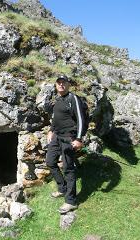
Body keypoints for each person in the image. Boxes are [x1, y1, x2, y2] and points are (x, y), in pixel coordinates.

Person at [45, 74, 86, 214]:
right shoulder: (57, 100)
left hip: (69, 137)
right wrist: (51, 130)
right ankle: (62, 189)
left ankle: (71, 201)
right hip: (56, 136)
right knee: (50, 161)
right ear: (56, 85)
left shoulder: (73, 98)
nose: (61, 85)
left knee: (68, 168)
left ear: (68, 85)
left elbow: (81, 119)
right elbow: (55, 118)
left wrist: (79, 139)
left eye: (64, 82)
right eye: (59, 82)